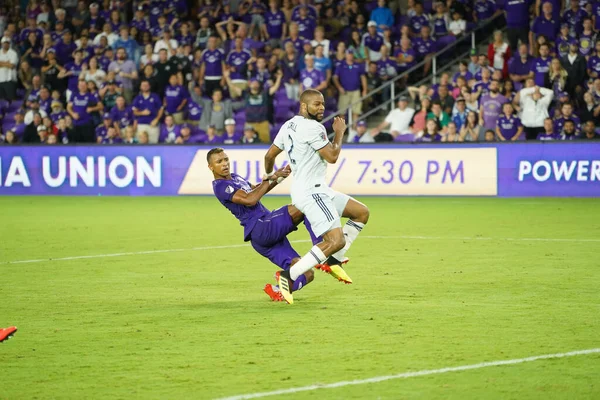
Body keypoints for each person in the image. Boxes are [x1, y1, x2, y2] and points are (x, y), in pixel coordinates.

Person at [264, 89, 371, 304]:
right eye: (316, 104)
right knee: (336, 240)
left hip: (316, 189)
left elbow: (269, 155)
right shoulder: (314, 128)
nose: (321, 108)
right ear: (304, 106)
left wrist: (269, 176)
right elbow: (332, 156)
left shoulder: (288, 125)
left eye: (322, 104)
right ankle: (289, 275)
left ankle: (333, 260)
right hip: (312, 193)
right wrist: (339, 132)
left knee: (361, 213)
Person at [209, 148, 318, 302]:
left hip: (263, 238)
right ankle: (320, 246)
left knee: (307, 273)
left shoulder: (235, 177)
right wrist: (268, 179)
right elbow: (250, 199)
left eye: (226, 159)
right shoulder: (220, 186)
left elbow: (257, 190)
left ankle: (277, 289)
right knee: (303, 207)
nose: (225, 164)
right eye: (219, 161)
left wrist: (278, 177)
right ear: (211, 167)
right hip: (261, 227)